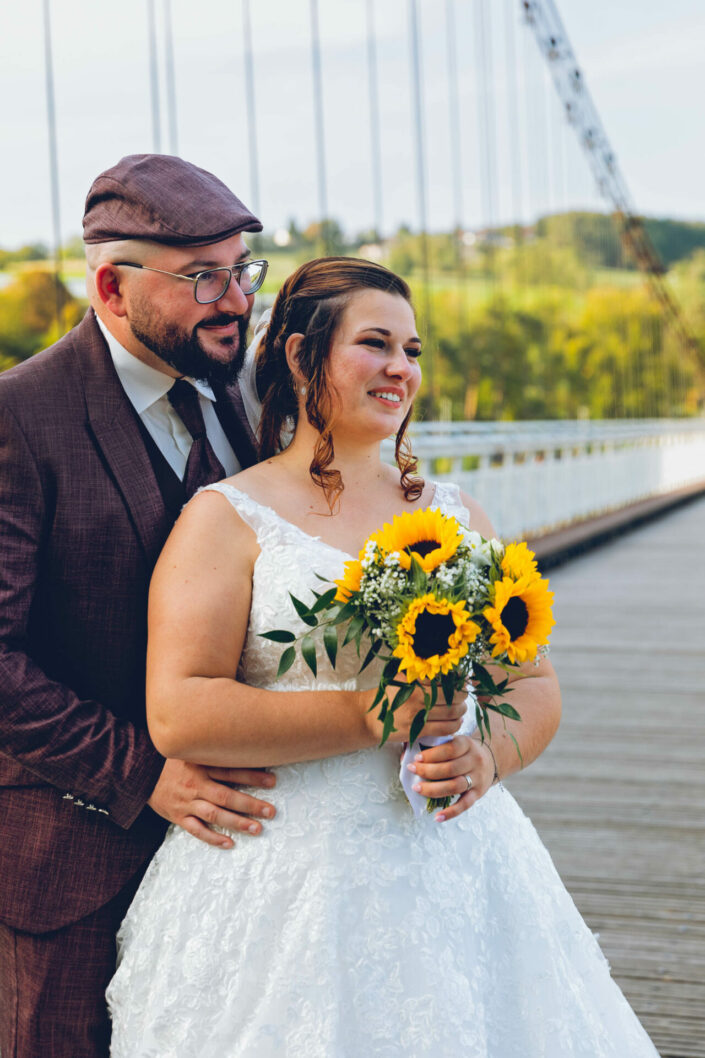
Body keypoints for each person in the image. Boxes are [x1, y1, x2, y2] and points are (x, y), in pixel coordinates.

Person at [107, 257, 659, 1057]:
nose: (401, 368)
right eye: (375, 344)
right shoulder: (226, 518)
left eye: (413, 350)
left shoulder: (458, 514)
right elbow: (179, 710)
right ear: (300, 357)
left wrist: (485, 759)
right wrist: (368, 714)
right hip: (283, 883)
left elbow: (532, 683)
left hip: (456, 872)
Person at [0, 158, 473, 1058]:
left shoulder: (254, 398)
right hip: (75, 847)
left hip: (257, 863)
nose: (234, 300)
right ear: (110, 285)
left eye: (242, 271)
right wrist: (142, 774)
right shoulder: (19, 418)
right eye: (202, 278)